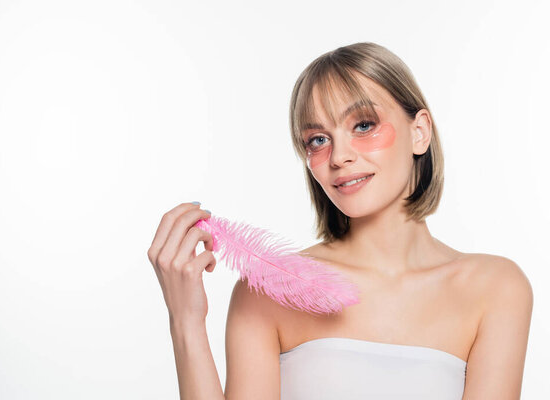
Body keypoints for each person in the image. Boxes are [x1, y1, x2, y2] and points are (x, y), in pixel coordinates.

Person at [147, 42, 533, 399]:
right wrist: (186, 322)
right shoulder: (268, 291)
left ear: (420, 133)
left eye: (363, 125)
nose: (338, 156)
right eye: (318, 139)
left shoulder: (495, 288)